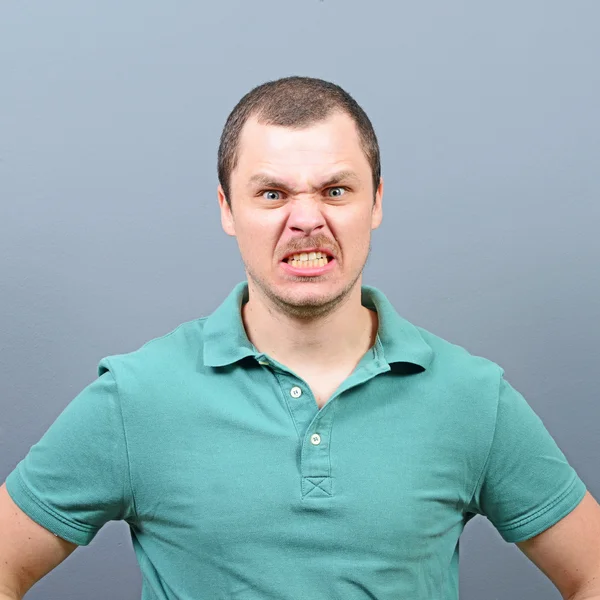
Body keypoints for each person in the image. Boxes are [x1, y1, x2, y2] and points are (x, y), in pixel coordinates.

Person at [1, 76, 599, 600]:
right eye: (272, 194)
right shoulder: (137, 397)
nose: (306, 219)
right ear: (227, 210)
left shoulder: (472, 398)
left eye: (335, 190)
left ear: (377, 203)